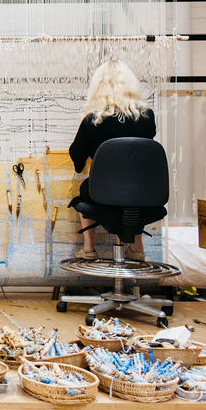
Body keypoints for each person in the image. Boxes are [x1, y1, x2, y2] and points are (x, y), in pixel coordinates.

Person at [68, 60, 155, 262]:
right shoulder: (147, 117)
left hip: (102, 195)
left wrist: (85, 157)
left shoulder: (92, 121)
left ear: (98, 88)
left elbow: (76, 155)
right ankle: (136, 247)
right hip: (142, 195)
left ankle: (89, 249)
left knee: (85, 190)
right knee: (134, 196)